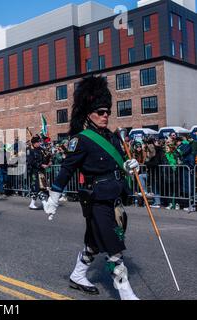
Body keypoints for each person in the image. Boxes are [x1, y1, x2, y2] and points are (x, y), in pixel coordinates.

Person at [44, 76, 140, 300]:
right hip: (96, 200)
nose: (105, 115)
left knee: (94, 244)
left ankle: (78, 275)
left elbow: (115, 166)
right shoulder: (82, 140)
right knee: (114, 250)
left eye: (107, 111)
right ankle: (125, 292)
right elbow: (66, 169)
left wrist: (128, 166)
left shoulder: (113, 138)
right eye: (100, 111)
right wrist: (54, 198)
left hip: (114, 198)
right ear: (89, 113)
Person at [27, 136, 50, 212]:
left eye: (39, 142)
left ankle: (32, 204)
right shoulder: (30, 150)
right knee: (37, 187)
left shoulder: (41, 150)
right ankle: (44, 203)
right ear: (34, 143)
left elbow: (45, 159)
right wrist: (40, 165)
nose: (39, 143)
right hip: (34, 172)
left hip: (41, 171)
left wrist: (48, 161)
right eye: (38, 142)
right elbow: (31, 162)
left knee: (42, 187)